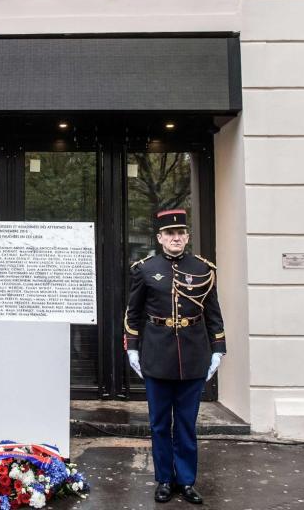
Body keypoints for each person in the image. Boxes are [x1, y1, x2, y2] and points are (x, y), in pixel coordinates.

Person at [124, 209, 226, 505]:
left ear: (187, 236)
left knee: (185, 423)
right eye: (169, 234)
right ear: (160, 238)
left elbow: (213, 313)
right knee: (158, 424)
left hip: (194, 355)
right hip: (156, 355)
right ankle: (165, 479)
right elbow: (134, 311)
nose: (176, 238)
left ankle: (186, 480)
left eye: (180, 233)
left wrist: (218, 348)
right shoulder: (144, 269)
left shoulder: (203, 268)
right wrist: (132, 347)